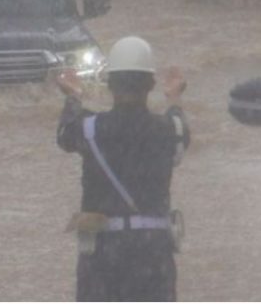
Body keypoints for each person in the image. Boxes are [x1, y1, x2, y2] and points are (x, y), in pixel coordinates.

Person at [56, 36, 190, 302]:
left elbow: (64, 133)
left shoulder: (90, 129)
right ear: (150, 85)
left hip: (103, 256)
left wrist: (74, 96)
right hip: (153, 253)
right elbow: (180, 129)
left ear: (109, 84)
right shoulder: (168, 129)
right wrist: (174, 97)